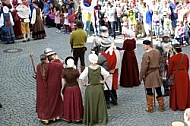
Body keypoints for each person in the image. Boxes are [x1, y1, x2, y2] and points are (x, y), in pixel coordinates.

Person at [79, 53, 109, 126]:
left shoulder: (87, 69)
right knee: (100, 104)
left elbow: (81, 77)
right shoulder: (100, 68)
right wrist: (103, 81)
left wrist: (85, 84)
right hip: (98, 88)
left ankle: (91, 119)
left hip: (91, 89)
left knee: (91, 104)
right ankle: (100, 118)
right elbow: (107, 74)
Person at [36, 53, 63, 124]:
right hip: (51, 87)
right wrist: (56, 59)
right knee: (53, 101)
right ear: (47, 59)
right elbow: (60, 65)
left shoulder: (38, 66)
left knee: (43, 103)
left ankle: (44, 118)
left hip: (42, 89)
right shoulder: (52, 65)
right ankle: (53, 117)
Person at [139, 40, 165, 113]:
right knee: (158, 89)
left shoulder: (146, 55)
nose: (143, 47)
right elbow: (160, 61)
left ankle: (150, 108)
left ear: (148, 45)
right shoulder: (157, 51)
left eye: (144, 45)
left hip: (149, 74)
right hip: (156, 73)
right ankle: (161, 106)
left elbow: (144, 67)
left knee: (149, 91)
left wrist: (140, 77)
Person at [167, 44, 190, 111]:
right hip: (184, 74)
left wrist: (169, 76)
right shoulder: (185, 56)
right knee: (185, 89)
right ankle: (186, 104)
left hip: (176, 75)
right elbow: (187, 66)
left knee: (177, 90)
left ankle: (177, 105)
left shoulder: (172, 58)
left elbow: (170, 69)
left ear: (174, 49)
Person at [62, 56, 83, 123]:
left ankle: (69, 118)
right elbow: (79, 80)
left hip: (68, 89)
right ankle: (77, 118)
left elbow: (63, 82)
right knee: (76, 103)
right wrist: (80, 89)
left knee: (68, 103)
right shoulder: (76, 71)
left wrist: (61, 89)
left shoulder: (64, 71)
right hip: (75, 88)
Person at [155, 32, 172, 96]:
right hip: (163, 62)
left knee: (171, 76)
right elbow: (157, 53)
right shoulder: (159, 44)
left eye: (167, 37)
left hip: (171, 61)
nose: (166, 38)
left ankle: (172, 90)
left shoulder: (173, 43)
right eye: (165, 37)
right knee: (164, 77)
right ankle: (166, 90)